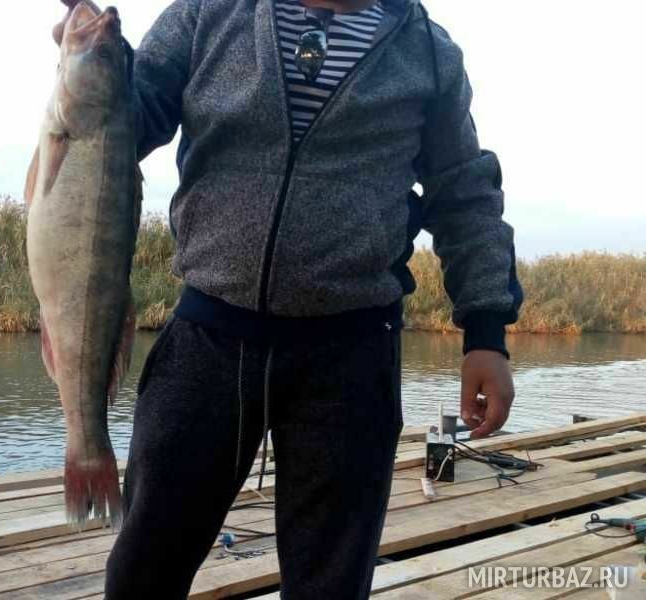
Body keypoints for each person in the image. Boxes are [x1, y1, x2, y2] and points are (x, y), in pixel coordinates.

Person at [55, 0, 524, 598]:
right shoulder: (208, 13)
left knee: (330, 584)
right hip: (206, 339)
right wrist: (97, 60)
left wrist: (486, 333)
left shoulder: (428, 53)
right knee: (144, 570)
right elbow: (130, 117)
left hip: (351, 355)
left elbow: (465, 195)